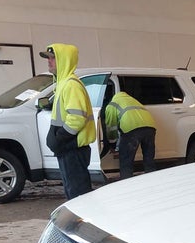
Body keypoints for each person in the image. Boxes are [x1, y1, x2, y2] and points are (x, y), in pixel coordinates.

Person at [40, 43, 96, 199]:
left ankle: (80, 223)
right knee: (73, 191)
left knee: (78, 194)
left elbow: (77, 118)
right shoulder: (63, 84)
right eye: (48, 58)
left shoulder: (71, 85)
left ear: (64, 60)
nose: (49, 61)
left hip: (73, 149)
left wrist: (60, 139)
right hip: (69, 149)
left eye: (53, 58)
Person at [103, 89, 157, 179]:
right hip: (150, 128)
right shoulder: (134, 101)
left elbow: (111, 127)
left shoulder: (112, 104)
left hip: (132, 129)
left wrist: (112, 143)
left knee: (126, 160)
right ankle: (152, 180)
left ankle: (126, 183)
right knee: (149, 159)